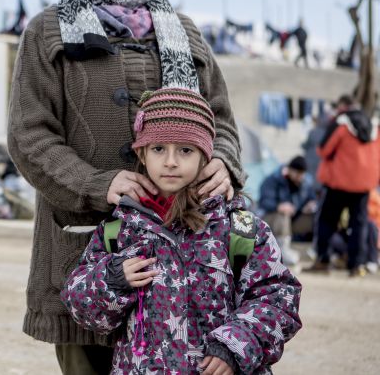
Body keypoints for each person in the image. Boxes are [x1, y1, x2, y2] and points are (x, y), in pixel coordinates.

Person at [7, 0, 245, 374]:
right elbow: (29, 135)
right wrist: (98, 184)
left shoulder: (184, 32)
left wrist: (223, 160)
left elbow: (219, 121)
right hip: (82, 246)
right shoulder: (48, 32)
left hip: (182, 254)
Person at [61, 88, 302, 374]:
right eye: (159, 149)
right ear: (142, 152)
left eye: (185, 150)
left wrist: (235, 344)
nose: (171, 161)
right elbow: (81, 306)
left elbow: (278, 297)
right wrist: (113, 280)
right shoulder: (119, 230)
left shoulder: (240, 230)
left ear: (206, 156)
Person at [307, 94, 380, 276]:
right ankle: (357, 265)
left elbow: (323, 149)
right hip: (364, 185)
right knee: (360, 225)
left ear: (342, 106)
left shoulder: (342, 123)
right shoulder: (374, 125)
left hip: (339, 182)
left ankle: (323, 260)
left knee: (326, 221)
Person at [257, 155, 317, 265]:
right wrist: (279, 206)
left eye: (302, 174)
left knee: (314, 216)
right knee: (283, 214)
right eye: (297, 173)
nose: (300, 177)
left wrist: (311, 204)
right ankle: (282, 250)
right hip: (272, 220)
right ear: (289, 169)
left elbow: (312, 198)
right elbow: (264, 202)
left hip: (293, 220)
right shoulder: (272, 180)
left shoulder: (305, 184)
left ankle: (312, 248)